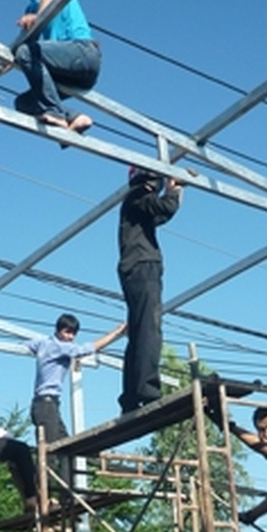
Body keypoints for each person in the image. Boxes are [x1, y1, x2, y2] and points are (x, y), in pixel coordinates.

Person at [11, 0, 101, 136]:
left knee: (27, 52)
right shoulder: (30, 7)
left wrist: (37, 17)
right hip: (68, 75)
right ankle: (75, 118)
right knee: (23, 103)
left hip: (83, 52)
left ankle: (55, 113)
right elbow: (16, 50)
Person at [117, 167, 183, 413]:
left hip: (135, 268)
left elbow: (161, 214)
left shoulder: (136, 204)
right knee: (149, 330)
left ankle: (131, 396)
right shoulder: (137, 196)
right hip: (143, 267)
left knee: (139, 332)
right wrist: (174, 189)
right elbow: (165, 207)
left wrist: (175, 191)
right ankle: (147, 390)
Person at [28, 313, 126, 443]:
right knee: (50, 449)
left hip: (48, 404)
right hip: (46, 404)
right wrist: (117, 332)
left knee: (64, 443)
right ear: (58, 330)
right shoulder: (59, 347)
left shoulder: (43, 343)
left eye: (73, 334)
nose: (70, 337)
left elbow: (28, 345)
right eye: (67, 332)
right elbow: (89, 348)